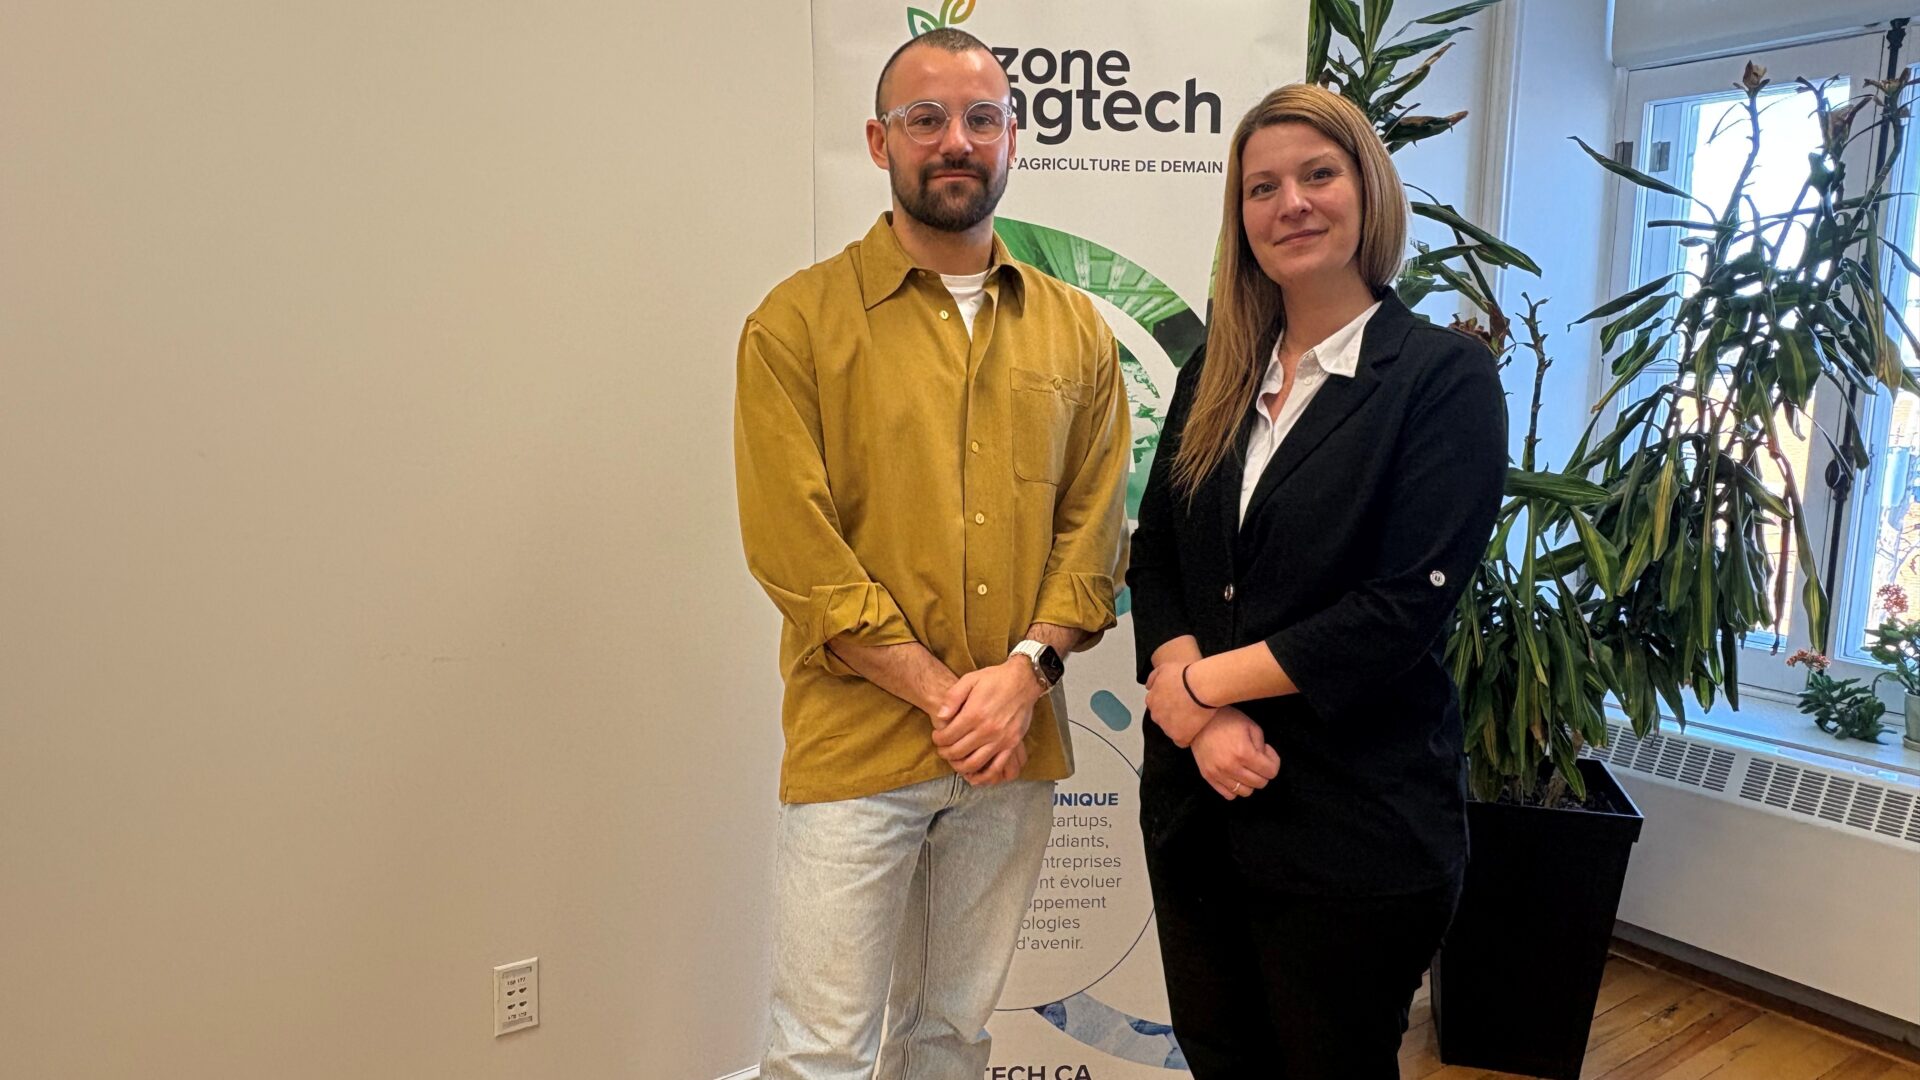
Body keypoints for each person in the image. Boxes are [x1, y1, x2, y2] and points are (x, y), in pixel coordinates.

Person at [732, 27, 1131, 1080]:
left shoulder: (1077, 333)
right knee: (818, 1052)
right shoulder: (794, 325)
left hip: (1012, 753)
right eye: (926, 118)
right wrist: (951, 698)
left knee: (950, 1039)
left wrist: (1023, 677)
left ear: (1013, 138)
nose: (956, 140)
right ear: (880, 141)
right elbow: (794, 549)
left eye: (981, 118)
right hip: (858, 748)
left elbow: (1094, 533)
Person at [1126, 83, 1508, 1077]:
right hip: (1200, 812)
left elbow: (1398, 610)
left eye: (1317, 175)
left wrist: (1196, 687)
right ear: (1241, 218)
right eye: (1262, 188)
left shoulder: (1443, 379)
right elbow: (1158, 552)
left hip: (1354, 826)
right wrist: (1200, 719)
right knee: (1220, 1060)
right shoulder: (1216, 371)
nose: (1290, 203)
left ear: (1368, 190)